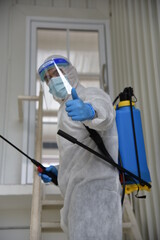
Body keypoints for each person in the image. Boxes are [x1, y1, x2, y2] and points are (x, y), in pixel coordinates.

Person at [38, 55, 122, 240]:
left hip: (96, 190)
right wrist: (57, 173)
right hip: (77, 194)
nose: (51, 81)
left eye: (54, 74)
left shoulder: (89, 94)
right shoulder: (63, 111)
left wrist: (91, 111)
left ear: (69, 73)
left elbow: (105, 114)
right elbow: (78, 156)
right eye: (47, 79)